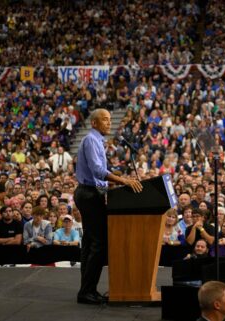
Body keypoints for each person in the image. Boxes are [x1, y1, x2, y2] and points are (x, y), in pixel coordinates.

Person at [74, 108, 143, 305]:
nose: (108, 123)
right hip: (88, 194)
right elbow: (97, 170)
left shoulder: (97, 141)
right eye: (104, 120)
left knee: (89, 243)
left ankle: (86, 290)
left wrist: (119, 181)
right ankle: (87, 291)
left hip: (90, 192)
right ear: (94, 123)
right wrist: (123, 181)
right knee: (98, 244)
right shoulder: (90, 140)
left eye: (110, 120)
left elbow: (100, 172)